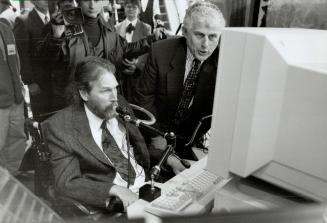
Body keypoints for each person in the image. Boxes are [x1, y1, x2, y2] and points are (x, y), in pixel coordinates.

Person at [42, 56, 180, 212]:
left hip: (149, 186)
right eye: (106, 90)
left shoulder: (119, 102)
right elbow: (67, 182)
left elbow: (137, 149)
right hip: (116, 204)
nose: (114, 97)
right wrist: (114, 189)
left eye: (115, 88)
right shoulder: (59, 127)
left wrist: (167, 159)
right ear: (84, 94)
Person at [134, 1, 226, 165]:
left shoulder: (224, 62)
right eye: (199, 35)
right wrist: (156, 135)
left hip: (189, 140)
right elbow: (143, 97)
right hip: (153, 134)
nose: (206, 45)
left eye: (213, 37)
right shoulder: (160, 52)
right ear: (184, 31)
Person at [37, 0, 164, 112]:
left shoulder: (107, 26)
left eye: (97, 0)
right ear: (78, 1)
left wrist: (152, 38)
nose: (92, 5)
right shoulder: (61, 24)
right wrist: (55, 38)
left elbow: (124, 48)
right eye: (87, 0)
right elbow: (43, 62)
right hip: (74, 101)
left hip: (103, 99)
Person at [14, 0, 52, 120]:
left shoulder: (59, 17)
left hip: (59, 81)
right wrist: (30, 82)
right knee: (44, 119)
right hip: (39, 83)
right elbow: (22, 54)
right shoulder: (23, 21)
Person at [0, 18, 26, 176]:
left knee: (16, 141)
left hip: (15, 98)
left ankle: (10, 179)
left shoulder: (4, 28)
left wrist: (19, 86)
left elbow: (15, 58)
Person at [115, 0, 151, 101]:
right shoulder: (116, 28)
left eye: (134, 7)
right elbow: (115, 48)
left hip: (138, 73)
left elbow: (148, 51)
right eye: (128, 7)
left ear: (139, 10)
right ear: (124, 8)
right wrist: (121, 63)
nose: (131, 9)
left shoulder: (146, 28)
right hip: (121, 72)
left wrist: (136, 64)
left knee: (137, 99)